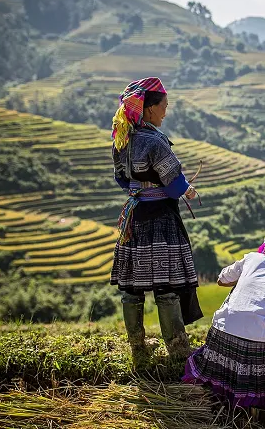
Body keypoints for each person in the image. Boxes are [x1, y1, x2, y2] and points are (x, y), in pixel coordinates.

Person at [110, 77, 202, 363]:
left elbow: (121, 180)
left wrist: (141, 191)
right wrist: (188, 189)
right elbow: (174, 183)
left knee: (132, 289)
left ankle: (138, 351)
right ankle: (177, 352)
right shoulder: (154, 143)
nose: (165, 111)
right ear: (149, 109)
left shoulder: (122, 141)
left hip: (135, 218)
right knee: (167, 286)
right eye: (163, 106)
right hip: (161, 218)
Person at [183, 225, 265, 408]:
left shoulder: (251, 258)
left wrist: (249, 278)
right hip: (261, 342)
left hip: (221, 333)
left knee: (237, 287)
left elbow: (222, 280)